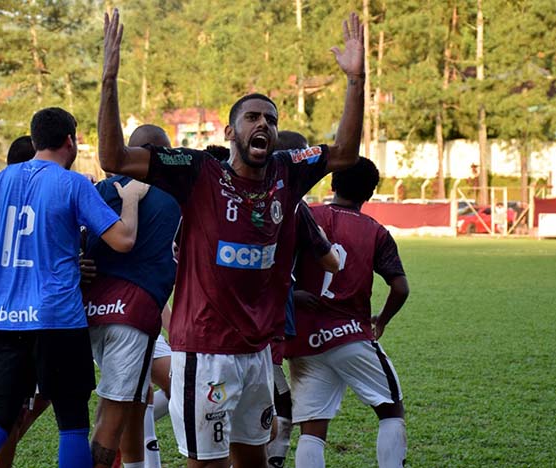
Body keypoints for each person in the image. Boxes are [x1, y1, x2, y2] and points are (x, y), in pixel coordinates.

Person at [97, 9, 365, 468]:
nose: (262, 124)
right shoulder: (199, 172)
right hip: (206, 354)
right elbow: (113, 157)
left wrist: (356, 82)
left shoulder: (287, 171)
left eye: (270, 119)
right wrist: (109, 80)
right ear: (230, 131)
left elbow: (344, 153)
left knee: (254, 461)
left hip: (258, 354)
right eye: (252, 118)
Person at [0, 107, 145, 468]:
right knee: (72, 424)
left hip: (3, 321)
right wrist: (131, 203)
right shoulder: (71, 182)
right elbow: (122, 240)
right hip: (57, 320)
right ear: (70, 141)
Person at [285, 158, 409, 468]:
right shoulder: (375, 231)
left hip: (303, 340)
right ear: (369, 194)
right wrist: (382, 319)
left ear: (331, 184)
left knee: (312, 430)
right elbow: (401, 288)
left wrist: (291, 297)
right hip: (349, 335)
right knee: (391, 409)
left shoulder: (305, 216)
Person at [82, 124, 181, 468]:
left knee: (134, 404)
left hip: (90, 313)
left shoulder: (97, 190)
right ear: (157, 154)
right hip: (132, 316)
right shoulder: (176, 195)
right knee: (112, 417)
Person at [0, 135, 52, 468]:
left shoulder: (1, 196)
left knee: (17, 409)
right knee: (7, 415)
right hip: (22, 319)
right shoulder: (25, 202)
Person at [267, 131, 341, 468]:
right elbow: (331, 262)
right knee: (277, 401)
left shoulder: (232, 193)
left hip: (225, 312)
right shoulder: (295, 205)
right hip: (267, 315)